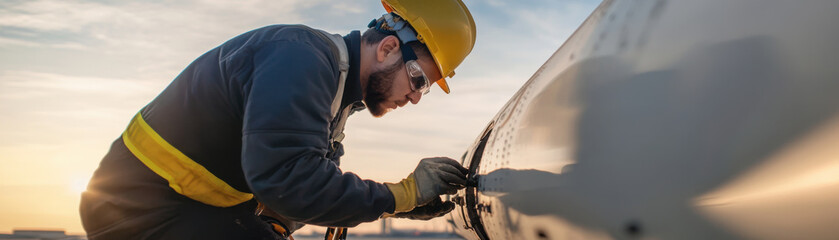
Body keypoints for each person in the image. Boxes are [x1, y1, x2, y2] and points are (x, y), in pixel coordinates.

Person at [79, 0, 477, 239]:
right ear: (389, 48)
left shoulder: (334, 94)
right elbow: (288, 180)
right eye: (419, 79)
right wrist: (401, 194)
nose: (415, 97)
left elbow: (309, 183)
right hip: (138, 209)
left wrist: (400, 206)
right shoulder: (301, 58)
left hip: (187, 207)